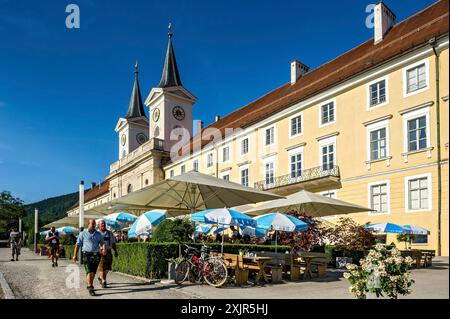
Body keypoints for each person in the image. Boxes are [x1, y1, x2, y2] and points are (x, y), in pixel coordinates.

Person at [72, 219, 106, 296]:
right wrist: (74, 255)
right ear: (88, 224)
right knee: (89, 271)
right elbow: (77, 245)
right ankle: (90, 287)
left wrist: (103, 249)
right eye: (92, 223)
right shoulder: (82, 233)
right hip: (86, 255)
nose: (94, 225)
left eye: (94, 224)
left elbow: (102, 243)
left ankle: (89, 283)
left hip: (96, 255)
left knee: (93, 272)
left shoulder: (98, 234)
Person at [97, 220, 118, 288]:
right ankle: (104, 281)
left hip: (108, 251)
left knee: (108, 267)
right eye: (101, 224)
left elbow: (113, 243)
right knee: (102, 266)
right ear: (99, 225)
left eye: (104, 224)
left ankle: (101, 277)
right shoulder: (96, 233)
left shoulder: (109, 233)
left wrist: (115, 251)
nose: (103, 225)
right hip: (100, 252)